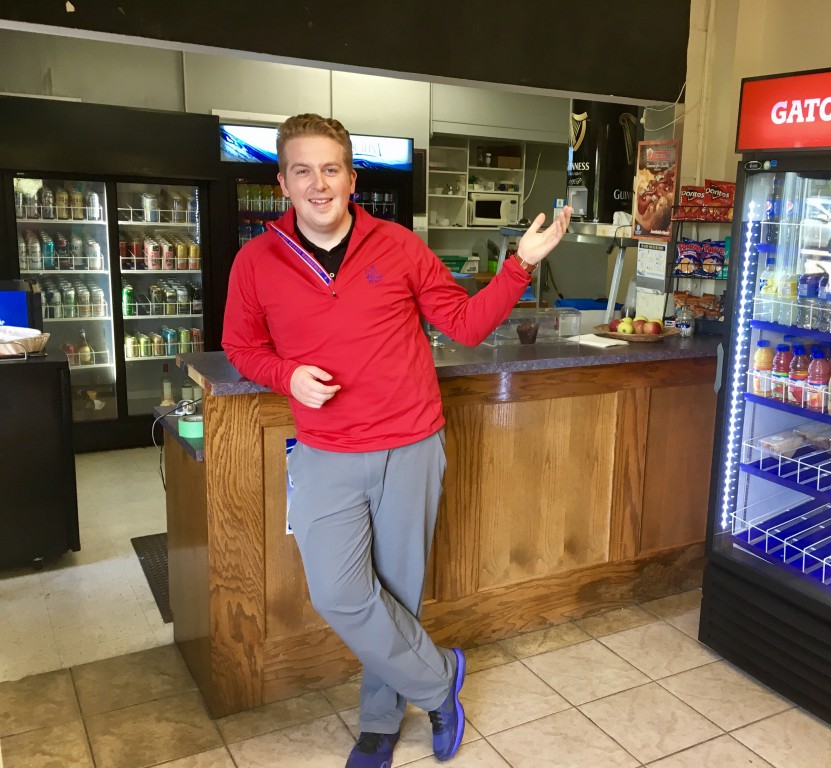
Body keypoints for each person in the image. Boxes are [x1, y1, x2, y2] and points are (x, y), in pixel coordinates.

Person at [222, 113, 571, 767]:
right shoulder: (256, 261)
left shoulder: (399, 246)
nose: (319, 184)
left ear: (352, 178)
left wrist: (520, 265)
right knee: (340, 594)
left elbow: (464, 325)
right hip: (324, 452)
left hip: (411, 445)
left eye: (331, 169)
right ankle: (440, 681)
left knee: (398, 592)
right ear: (283, 183)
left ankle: (380, 725)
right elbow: (241, 347)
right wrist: (286, 375)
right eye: (303, 171)